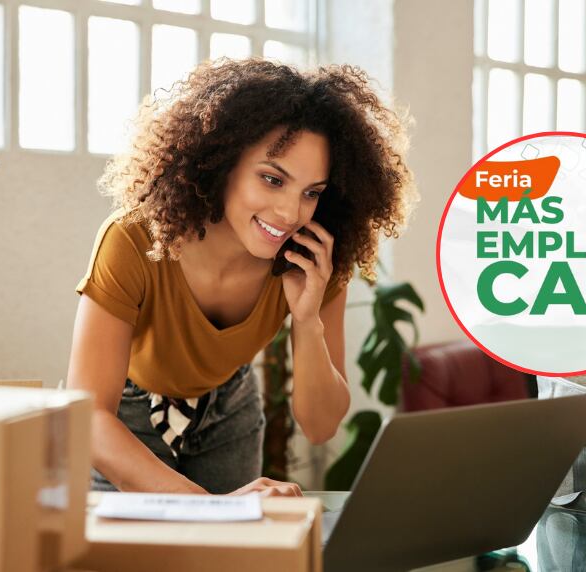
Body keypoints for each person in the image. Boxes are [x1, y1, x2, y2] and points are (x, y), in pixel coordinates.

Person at [66, 58, 418, 497]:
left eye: (311, 192)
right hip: (124, 417)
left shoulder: (313, 261)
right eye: (272, 179)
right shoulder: (134, 239)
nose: (290, 213)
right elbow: (90, 415)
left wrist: (307, 319)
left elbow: (320, 426)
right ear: (221, 161)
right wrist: (212, 508)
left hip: (229, 408)